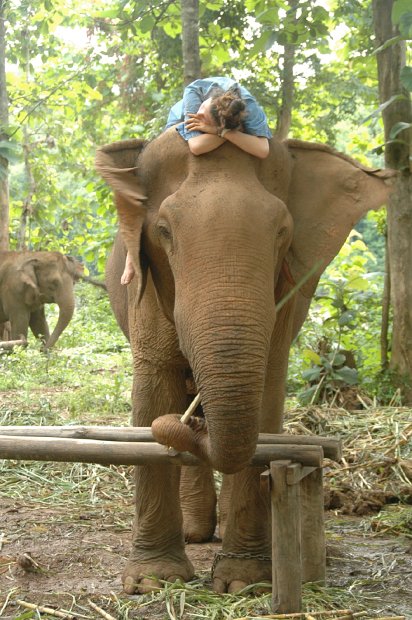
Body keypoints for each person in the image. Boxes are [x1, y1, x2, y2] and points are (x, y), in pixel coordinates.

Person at [121, 76, 272, 285]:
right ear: (211, 99)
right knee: (161, 174)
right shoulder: (194, 100)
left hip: (223, 128)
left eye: (204, 117)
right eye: (203, 110)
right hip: (178, 122)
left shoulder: (250, 109)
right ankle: (132, 253)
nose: (200, 113)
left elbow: (263, 150)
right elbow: (196, 146)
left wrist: (220, 132)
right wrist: (221, 132)